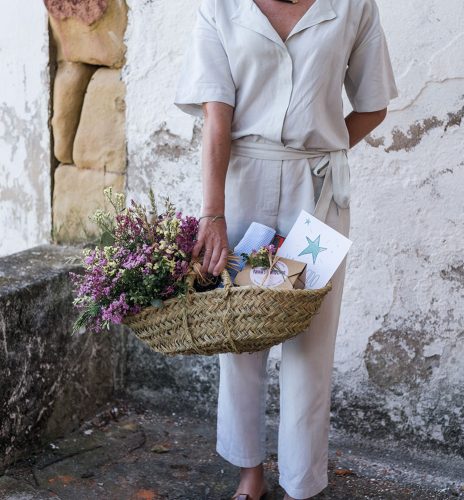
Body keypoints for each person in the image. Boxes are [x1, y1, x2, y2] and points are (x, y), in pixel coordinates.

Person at [173, 0, 398, 498]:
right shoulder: (220, 7)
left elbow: (373, 102)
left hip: (316, 193)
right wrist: (212, 215)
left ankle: (302, 484)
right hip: (242, 184)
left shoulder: (353, 6)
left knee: (310, 343)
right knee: (238, 336)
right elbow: (216, 115)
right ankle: (249, 474)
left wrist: (321, 150)